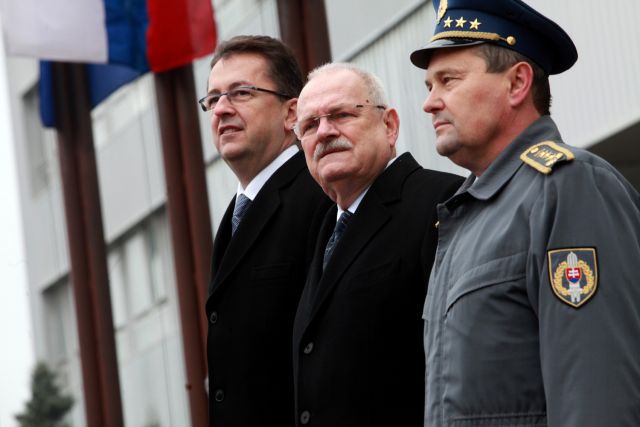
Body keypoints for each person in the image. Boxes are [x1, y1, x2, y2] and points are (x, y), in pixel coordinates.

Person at [410, 1, 640, 425]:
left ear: (517, 83)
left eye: (448, 80)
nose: (429, 103)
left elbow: (596, 390)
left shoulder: (567, 186)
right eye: (429, 86)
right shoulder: (467, 213)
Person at [292, 62, 462, 427]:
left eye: (341, 115)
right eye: (309, 125)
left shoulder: (441, 203)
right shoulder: (323, 230)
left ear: (389, 125)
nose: (324, 132)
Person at [200, 35, 330, 427]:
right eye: (213, 99)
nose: (222, 109)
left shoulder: (322, 195)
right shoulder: (235, 215)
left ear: (292, 113)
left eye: (241, 93)